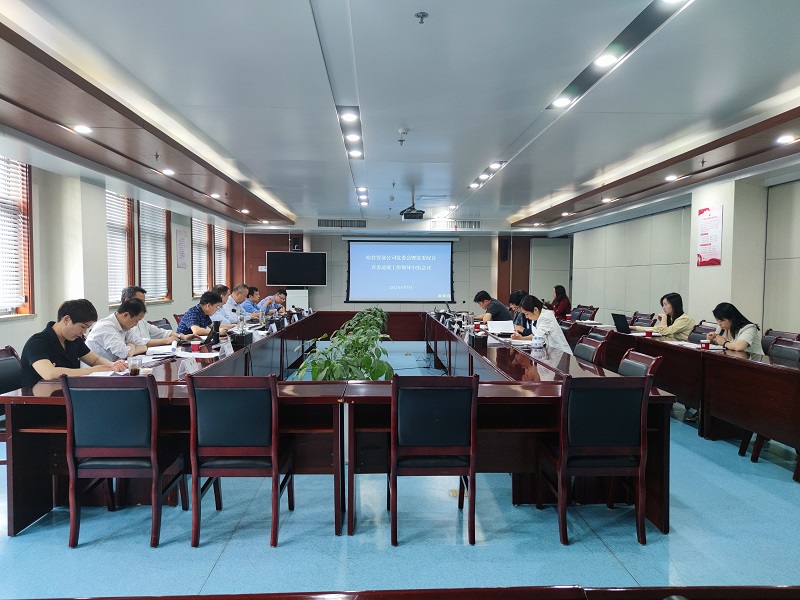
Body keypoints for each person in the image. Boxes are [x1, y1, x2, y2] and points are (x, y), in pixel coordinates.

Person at [19, 299, 127, 387]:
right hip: (37, 400)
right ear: (66, 320)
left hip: (66, 393)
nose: (83, 332)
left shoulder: (73, 339)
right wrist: (94, 370)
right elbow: (50, 373)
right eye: (82, 327)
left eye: (87, 328)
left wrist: (112, 365)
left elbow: (95, 360)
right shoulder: (37, 343)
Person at [120, 286, 194, 343]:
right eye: (140, 301)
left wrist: (182, 336)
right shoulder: (122, 323)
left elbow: (160, 332)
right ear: (127, 301)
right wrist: (165, 341)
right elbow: (137, 342)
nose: (143, 305)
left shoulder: (141, 321)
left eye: (144, 302)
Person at [85, 298, 150, 362]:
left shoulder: (125, 326)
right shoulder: (105, 327)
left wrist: (130, 350)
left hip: (113, 366)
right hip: (97, 368)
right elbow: (124, 353)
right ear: (125, 315)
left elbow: (143, 347)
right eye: (136, 321)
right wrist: (131, 345)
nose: (136, 325)